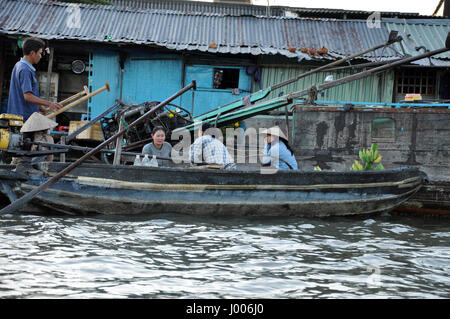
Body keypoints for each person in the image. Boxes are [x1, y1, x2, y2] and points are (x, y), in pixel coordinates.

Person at [7, 37, 62, 121]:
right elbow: (28, 96)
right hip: (22, 119)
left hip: (21, 116)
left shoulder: (19, 65)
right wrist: (49, 103)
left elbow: (29, 95)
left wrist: (41, 108)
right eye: (40, 53)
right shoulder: (25, 69)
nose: (40, 56)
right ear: (32, 53)